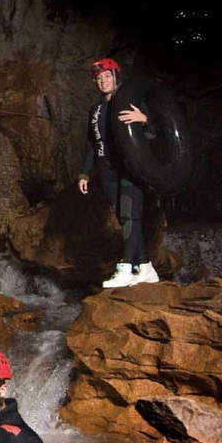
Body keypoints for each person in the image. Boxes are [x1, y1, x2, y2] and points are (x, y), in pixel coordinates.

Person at [77, 57, 160, 289]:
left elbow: (154, 134)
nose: (102, 81)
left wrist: (144, 120)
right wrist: (84, 173)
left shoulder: (129, 102)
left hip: (130, 170)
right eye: (98, 78)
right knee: (126, 219)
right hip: (107, 172)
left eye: (106, 76)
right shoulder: (95, 110)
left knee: (129, 216)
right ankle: (144, 267)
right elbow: (91, 145)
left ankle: (125, 268)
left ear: (116, 77)